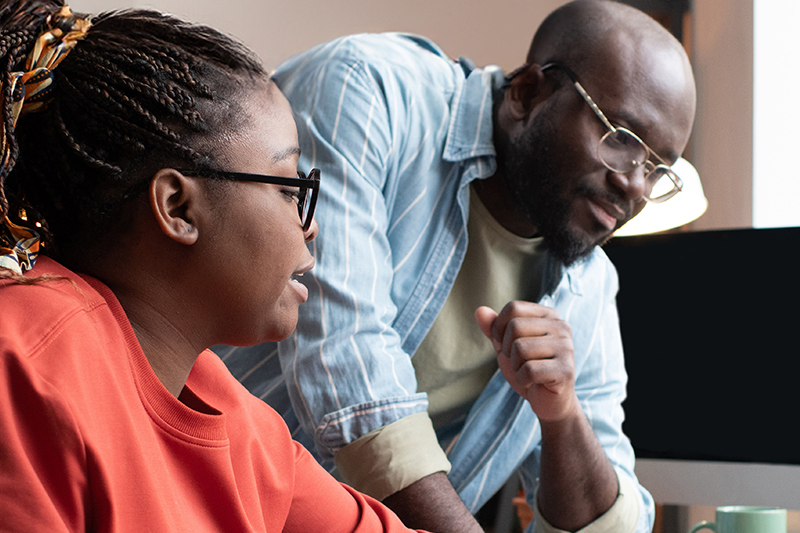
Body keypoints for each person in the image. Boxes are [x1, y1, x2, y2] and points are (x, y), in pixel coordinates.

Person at [221, 1, 697, 532]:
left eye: (658, 169)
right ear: (527, 94)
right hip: (206, 506)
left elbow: (613, 525)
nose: (634, 184)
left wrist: (563, 416)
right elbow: (347, 368)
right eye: (621, 139)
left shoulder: (587, 281)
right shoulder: (367, 89)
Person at [0, 2, 430, 531]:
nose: (311, 226)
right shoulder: (26, 356)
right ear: (178, 208)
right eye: (288, 187)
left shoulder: (236, 419)